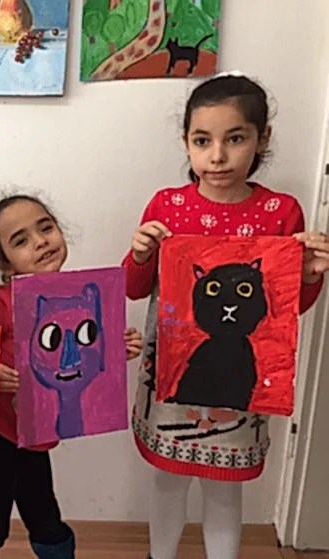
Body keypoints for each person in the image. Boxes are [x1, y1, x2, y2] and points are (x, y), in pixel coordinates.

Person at [123, 73, 329, 559]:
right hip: (172, 372)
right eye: (202, 141)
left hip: (240, 381)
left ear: (262, 139)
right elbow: (133, 287)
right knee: (168, 480)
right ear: (186, 143)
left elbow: (286, 312)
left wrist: (309, 274)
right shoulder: (167, 205)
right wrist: (141, 254)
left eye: (235, 139)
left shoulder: (281, 212)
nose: (217, 156)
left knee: (224, 488)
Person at [0, 193, 144, 559]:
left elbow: (86, 350)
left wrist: (116, 350)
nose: (40, 242)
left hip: (35, 435)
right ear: (5, 264)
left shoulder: (77, 297)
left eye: (46, 228)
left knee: (44, 518)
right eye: (21, 240)